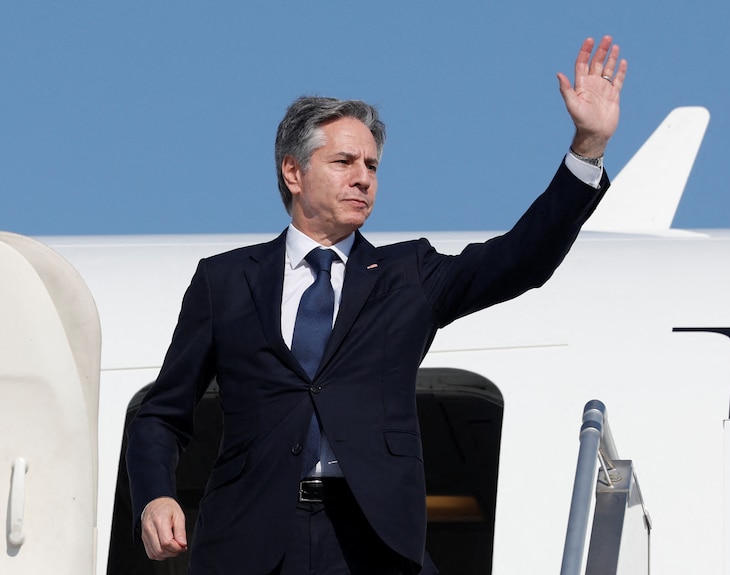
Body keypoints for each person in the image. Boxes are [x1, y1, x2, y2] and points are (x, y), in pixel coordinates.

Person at [126, 36, 627, 575]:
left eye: (371, 164)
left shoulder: (407, 275)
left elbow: (519, 260)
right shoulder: (224, 280)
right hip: (250, 539)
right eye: (343, 161)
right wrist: (155, 495)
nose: (363, 176)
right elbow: (162, 411)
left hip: (372, 541)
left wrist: (587, 149)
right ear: (293, 173)